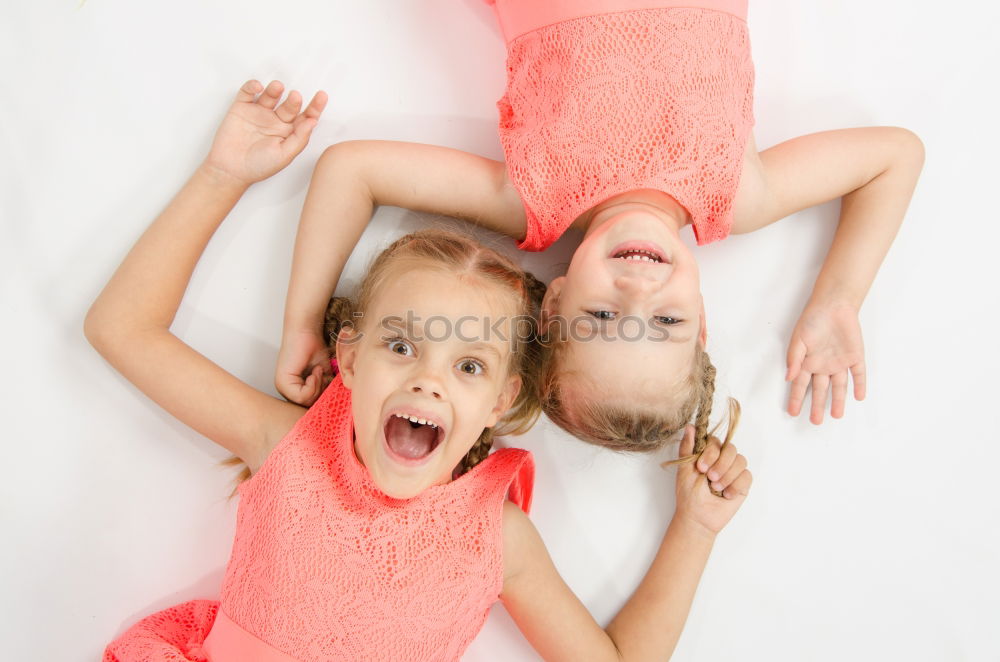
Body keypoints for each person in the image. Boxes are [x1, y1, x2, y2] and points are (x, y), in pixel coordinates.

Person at [87, 79, 753, 661]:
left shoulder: (497, 536)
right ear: (349, 359)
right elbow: (121, 329)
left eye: (468, 364)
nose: (427, 380)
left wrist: (694, 530)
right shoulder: (285, 448)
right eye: (402, 346)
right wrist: (221, 176)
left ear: (501, 398)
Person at [275, 0, 924, 455]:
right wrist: (839, 298)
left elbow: (349, 170)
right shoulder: (741, 196)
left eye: (603, 320)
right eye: (665, 324)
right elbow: (895, 156)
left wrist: (303, 324)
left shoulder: (531, 200)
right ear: (702, 320)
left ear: (554, 301)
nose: (637, 293)